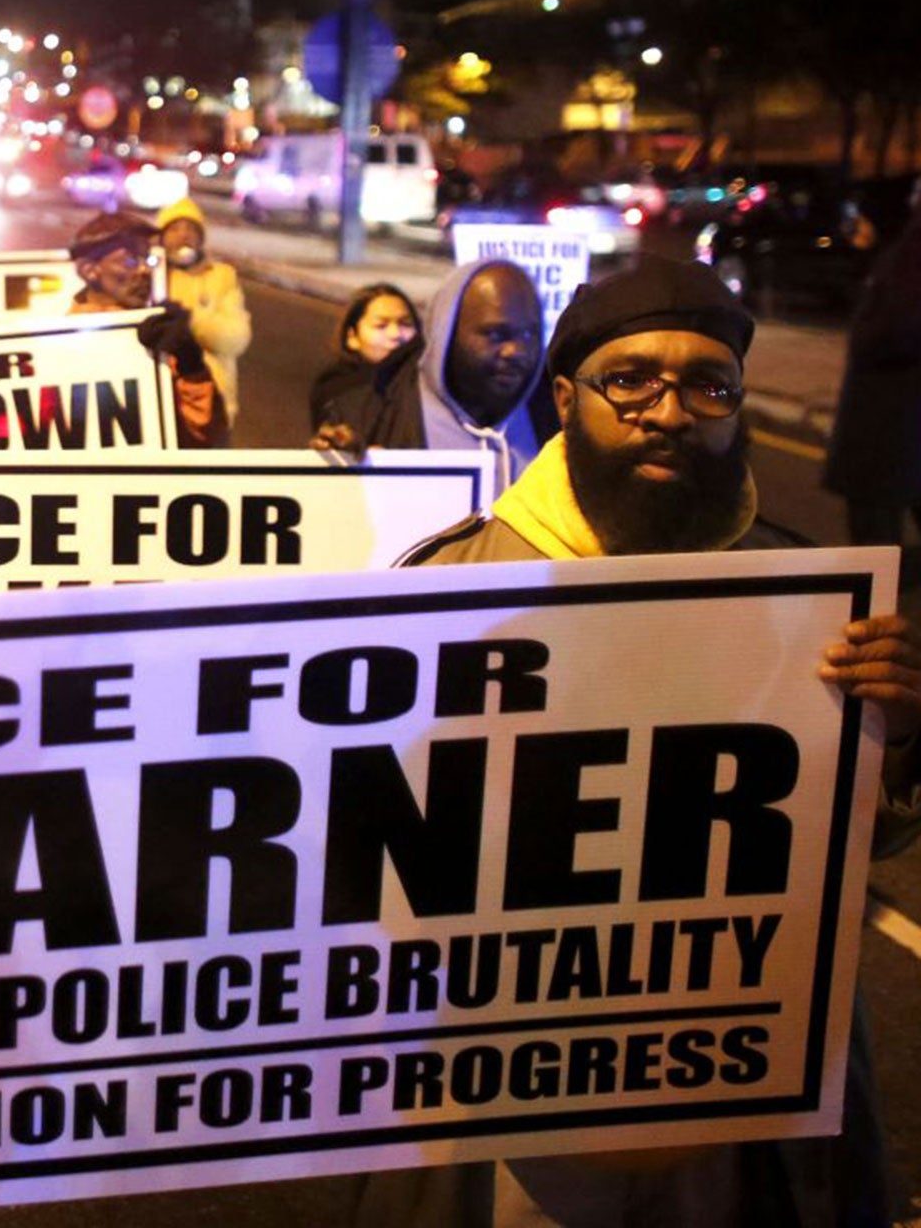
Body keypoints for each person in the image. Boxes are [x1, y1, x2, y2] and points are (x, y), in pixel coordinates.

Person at [370, 253, 921, 1228]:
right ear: (568, 393)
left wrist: (896, 730)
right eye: (629, 381)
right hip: (510, 1105)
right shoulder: (447, 582)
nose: (668, 413)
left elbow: (863, 841)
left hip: (740, 1112)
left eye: (706, 386)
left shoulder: (800, 587)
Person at [315, 258, 553, 495]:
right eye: (494, 334)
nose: (516, 351)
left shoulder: (559, 417)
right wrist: (345, 468)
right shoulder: (366, 417)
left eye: (529, 333)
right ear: (445, 332)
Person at [68, 213, 228, 448]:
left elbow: (204, 435)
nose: (145, 271)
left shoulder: (161, 337)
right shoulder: (60, 348)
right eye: (130, 261)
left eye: (148, 260)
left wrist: (191, 365)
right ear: (90, 271)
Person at [824, 212, 921, 574]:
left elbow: (891, 328)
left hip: (888, 421)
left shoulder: (911, 254)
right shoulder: (902, 251)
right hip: (898, 420)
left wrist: (867, 332)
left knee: (875, 546)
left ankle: (876, 608)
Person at [155, 197, 251, 438]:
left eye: (191, 229)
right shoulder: (149, 279)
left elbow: (235, 338)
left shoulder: (222, 277)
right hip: (160, 409)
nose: (184, 235)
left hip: (212, 407)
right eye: (175, 229)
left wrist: (190, 319)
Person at [308, 281, 422, 428]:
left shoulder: (427, 384)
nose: (395, 334)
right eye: (381, 326)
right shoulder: (336, 387)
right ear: (352, 337)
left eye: (405, 324)